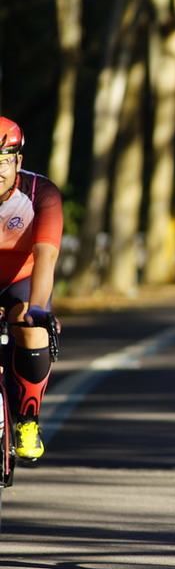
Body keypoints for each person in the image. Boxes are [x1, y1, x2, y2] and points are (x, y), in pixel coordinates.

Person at [0, 116, 63, 462]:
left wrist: (37, 308)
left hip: (21, 278)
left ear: (18, 161)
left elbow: (46, 255)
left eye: (3, 161)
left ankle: (27, 420)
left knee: (32, 328)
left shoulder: (42, 193)